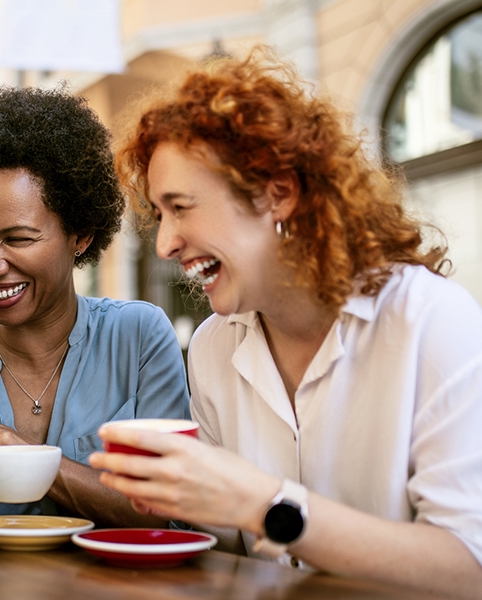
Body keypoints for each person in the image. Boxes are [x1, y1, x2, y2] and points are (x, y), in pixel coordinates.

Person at [90, 47, 482, 597]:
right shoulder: (213, 347)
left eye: (181, 207)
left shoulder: (433, 321)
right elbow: (228, 555)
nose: (165, 243)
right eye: (159, 214)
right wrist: (179, 503)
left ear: (278, 193)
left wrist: (263, 504)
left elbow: (469, 566)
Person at [0, 86, 191, 527]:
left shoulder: (138, 341)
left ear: (81, 235)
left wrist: (2, 443)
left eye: (18, 239)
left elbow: (166, 512)